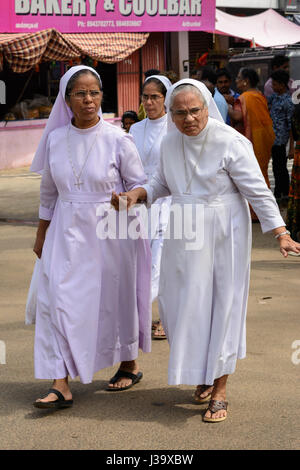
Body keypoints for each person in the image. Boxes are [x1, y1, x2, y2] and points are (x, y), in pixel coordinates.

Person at [111, 78, 300, 423]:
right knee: (181, 306)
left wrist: (280, 232)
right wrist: (138, 195)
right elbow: (161, 183)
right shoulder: (170, 141)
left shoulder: (231, 141)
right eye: (179, 113)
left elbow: (257, 190)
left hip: (224, 231)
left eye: (194, 111)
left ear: (206, 107)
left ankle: (220, 387)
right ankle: (202, 370)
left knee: (222, 305)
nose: (188, 119)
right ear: (171, 113)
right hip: (183, 230)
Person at [29, 65, 152, 408]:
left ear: (102, 96)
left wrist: (130, 198)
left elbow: (139, 183)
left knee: (114, 300)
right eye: (80, 94)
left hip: (111, 228)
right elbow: (48, 194)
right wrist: (41, 236)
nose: (88, 100)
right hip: (67, 230)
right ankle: (60, 381)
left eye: (94, 93)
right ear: (67, 100)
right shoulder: (55, 139)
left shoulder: (117, 138)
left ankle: (127, 361)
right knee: (58, 301)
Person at [130, 74, 172, 340]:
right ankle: (144, 313)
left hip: (169, 201)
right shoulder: (135, 129)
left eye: (155, 96)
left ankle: (144, 315)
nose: (149, 102)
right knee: (141, 259)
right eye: (145, 97)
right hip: (142, 201)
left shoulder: (175, 126)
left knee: (160, 261)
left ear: (166, 98)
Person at [233, 67, 275, 220]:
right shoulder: (259, 95)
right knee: (261, 173)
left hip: (254, 139)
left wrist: (227, 106)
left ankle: (255, 212)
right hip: (264, 136)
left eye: (238, 78)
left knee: (253, 175)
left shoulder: (245, 97)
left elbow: (237, 117)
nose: (236, 81)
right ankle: (265, 211)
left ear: (246, 81)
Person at [268, 70, 295, 205]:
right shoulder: (273, 98)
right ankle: (280, 193)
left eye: (274, 83)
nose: (272, 86)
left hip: (281, 140)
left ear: (282, 85)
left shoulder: (288, 101)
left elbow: (291, 125)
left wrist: (291, 147)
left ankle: (282, 193)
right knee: (276, 166)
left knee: (281, 168)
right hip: (273, 139)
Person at [286, 104, 300, 243]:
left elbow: (294, 133)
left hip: (299, 153)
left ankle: (294, 229)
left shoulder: (297, 110)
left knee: (297, 192)